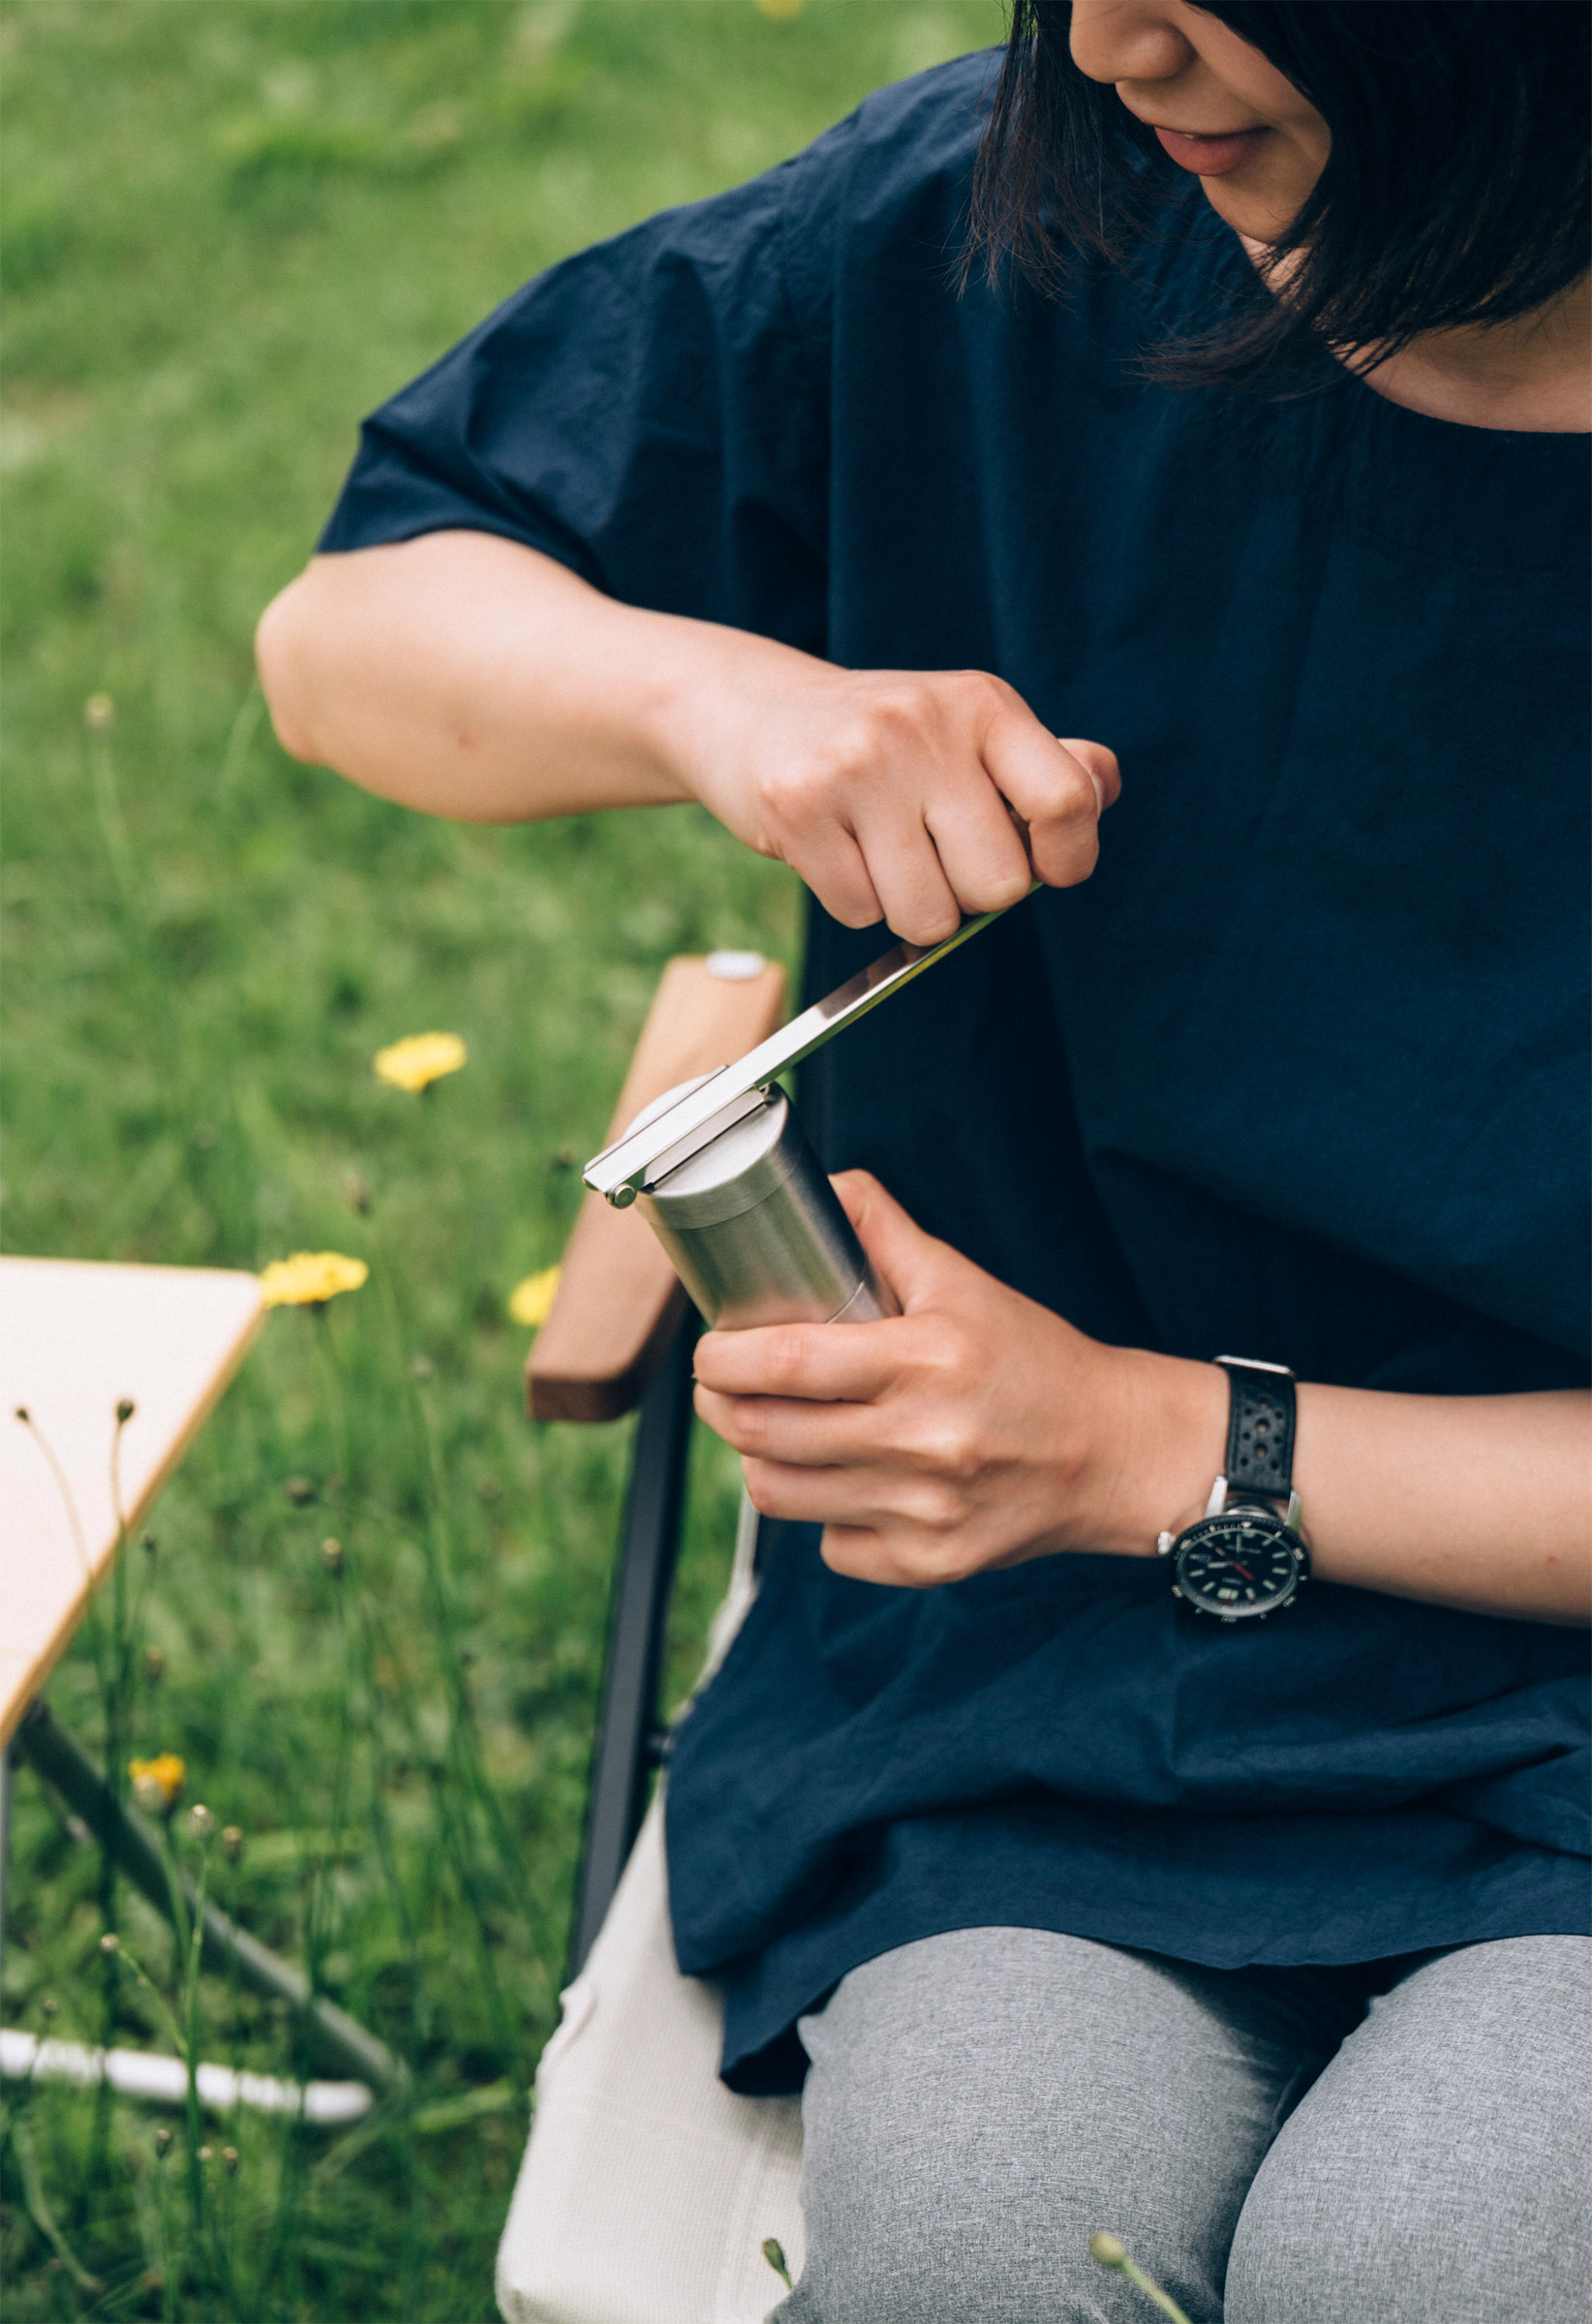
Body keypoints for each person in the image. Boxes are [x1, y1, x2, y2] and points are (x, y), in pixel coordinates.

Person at [257, 4, 1591, 2316]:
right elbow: (346, 632)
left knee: (1425, 2267)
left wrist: (1150, 1443)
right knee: (986, 2252)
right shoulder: (1007, 212)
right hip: (1045, 1693)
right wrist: (724, 700)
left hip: (1419, 1613)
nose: (1113, 34)